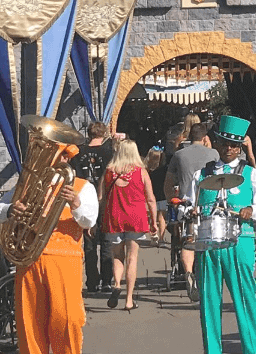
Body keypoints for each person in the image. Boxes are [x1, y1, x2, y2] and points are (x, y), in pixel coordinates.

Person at [180, 115, 256, 354]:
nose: (229, 149)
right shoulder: (201, 174)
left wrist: (251, 211)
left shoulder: (250, 174)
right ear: (216, 143)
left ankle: (253, 349)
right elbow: (187, 203)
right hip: (208, 242)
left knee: (245, 298)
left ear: (240, 147)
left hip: (241, 241)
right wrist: (188, 209)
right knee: (209, 302)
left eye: (234, 145)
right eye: (225, 143)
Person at [0, 157, 98, 354]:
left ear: (67, 156)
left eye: (61, 152)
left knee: (67, 319)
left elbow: (90, 221)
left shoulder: (82, 186)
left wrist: (76, 203)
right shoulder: (27, 183)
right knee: (30, 322)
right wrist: (11, 209)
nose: (55, 157)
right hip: (29, 260)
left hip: (65, 260)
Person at [165, 122, 220, 301]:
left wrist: (170, 201)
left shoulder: (179, 155)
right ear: (205, 138)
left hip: (186, 203)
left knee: (188, 240)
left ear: (189, 137)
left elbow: (168, 181)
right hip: (208, 203)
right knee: (208, 239)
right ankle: (206, 273)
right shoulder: (213, 154)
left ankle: (188, 272)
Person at [100, 139, 156, 312]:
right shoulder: (141, 172)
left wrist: (100, 217)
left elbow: (100, 198)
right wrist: (154, 221)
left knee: (117, 256)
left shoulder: (109, 171)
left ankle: (116, 284)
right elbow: (151, 198)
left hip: (114, 217)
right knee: (132, 258)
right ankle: (129, 299)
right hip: (136, 218)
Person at [72, 121, 114, 293]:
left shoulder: (79, 152)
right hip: (105, 199)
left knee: (88, 242)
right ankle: (107, 281)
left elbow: (74, 175)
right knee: (106, 242)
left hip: (84, 198)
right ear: (103, 134)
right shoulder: (109, 152)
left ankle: (91, 281)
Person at [145, 145, 169, 242]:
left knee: (152, 216)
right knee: (162, 217)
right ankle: (162, 237)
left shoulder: (148, 171)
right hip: (163, 195)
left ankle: (153, 235)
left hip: (152, 195)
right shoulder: (165, 170)